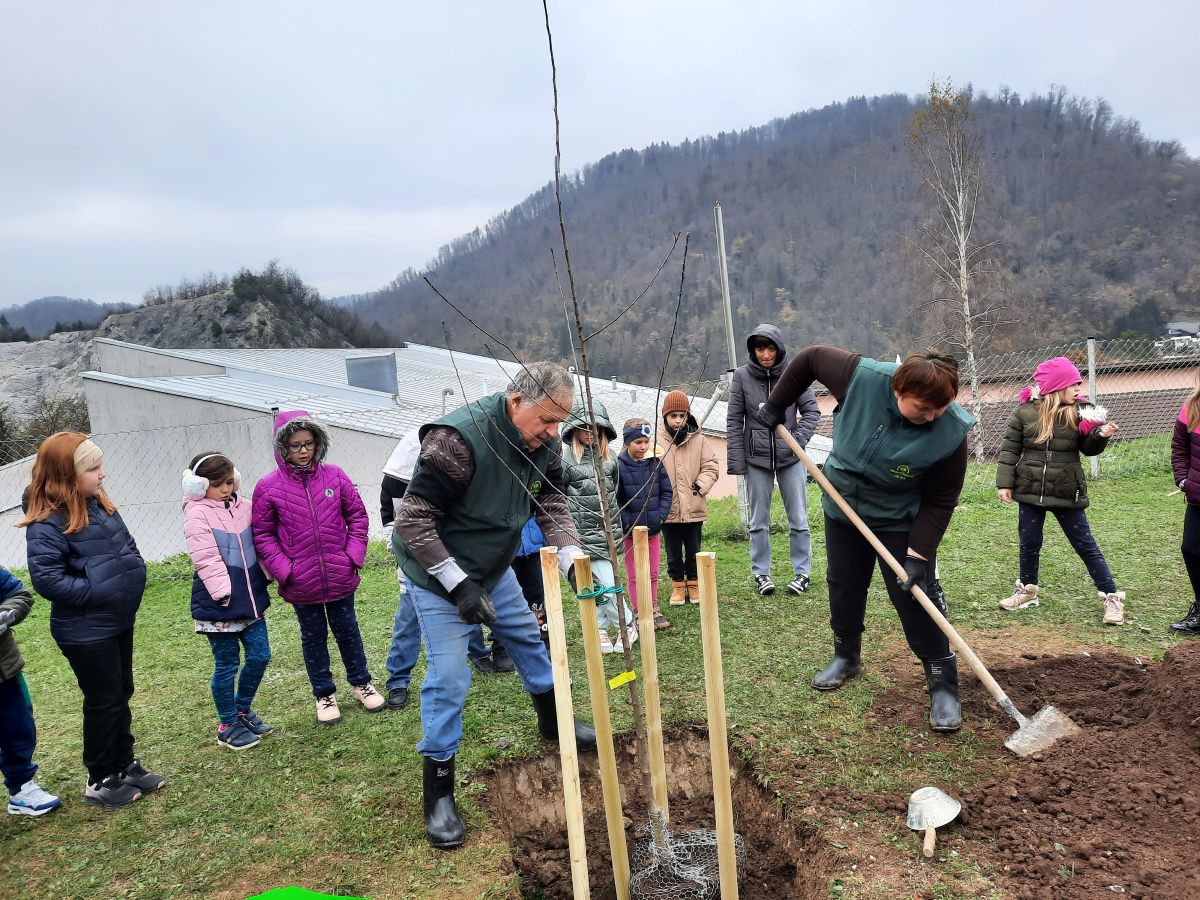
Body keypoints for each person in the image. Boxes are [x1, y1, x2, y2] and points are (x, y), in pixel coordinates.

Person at [393, 361, 596, 849]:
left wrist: (570, 558)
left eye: (559, 423)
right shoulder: (456, 443)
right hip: (435, 569)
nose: (552, 433)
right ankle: (438, 789)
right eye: (546, 420)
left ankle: (552, 721)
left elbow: (551, 504)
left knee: (528, 640)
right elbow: (412, 523)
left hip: (492, 562)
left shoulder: (543, 441)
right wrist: (459, 585)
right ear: (515, 402)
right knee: (449, 677)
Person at [757, 346, 975, 732]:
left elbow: (941, 501)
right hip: (842, 506)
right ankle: (846, 655)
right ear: (898, 390)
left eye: (939, 408)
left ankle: (942, 682)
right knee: (844, 584)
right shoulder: (863, 378)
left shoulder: (951, 432)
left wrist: (919, 555)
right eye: (922, 408)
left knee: (912, 594)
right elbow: (809, 359)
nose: (932, 416)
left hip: (897, 517)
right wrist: (777, 405)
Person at [20, 432, 165, 808]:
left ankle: (124, 764)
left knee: (122, 692)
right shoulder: (46, 522)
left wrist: (132, 572)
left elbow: (127, 547)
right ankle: (99, 778)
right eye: (93, 469)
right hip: (86, 631)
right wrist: (99, 593)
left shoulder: (98, 504)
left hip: (117, 620)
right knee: (104, 700)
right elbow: (47, 580)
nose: (102, 475)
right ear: (67, 475)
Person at [252, 411, 384, 724]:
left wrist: (352, 555)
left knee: (348, 630)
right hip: (301, 582)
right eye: (295, 445)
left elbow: (358, 517)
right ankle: (324, 694)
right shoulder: (267, 487)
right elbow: (263, 534)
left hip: (339, 574)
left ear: (317, 443)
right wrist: (286, 570)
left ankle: (361, 683)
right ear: (282, 446)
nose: (302, 450)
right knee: (313, 637)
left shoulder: (335, 476)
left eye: (308, 443)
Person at [380, 432, 513, 713]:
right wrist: (404, 551)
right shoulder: (396, 479)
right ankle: (398, 679)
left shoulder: (454, 466)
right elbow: (393, 520)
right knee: (408, 622)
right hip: (417, 569)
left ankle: (477, 654)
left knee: (469, 608)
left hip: (454, 560)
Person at [995, 357, 1124, 625]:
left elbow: (1087, 449)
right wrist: (1004, 483)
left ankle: (1111, 597)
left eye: (1079, 384)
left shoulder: (1082, 412)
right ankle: (1027, 591)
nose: (1078, 389)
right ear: (1055, 387)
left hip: (1067, 490)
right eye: (1072, 384)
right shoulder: (1025, 412)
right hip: (1029, 490)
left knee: (1085, 546)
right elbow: (1009, 451)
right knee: (1029, 544)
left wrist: (1100, 437)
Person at [182, 452, 273, 751]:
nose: (225, 489)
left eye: (229, 482)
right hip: (220, 603)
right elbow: (205, 556)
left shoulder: (245, 506)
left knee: (260, 655)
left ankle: (242, 710)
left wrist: (268, 574)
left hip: (250, 599)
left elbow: (261, 541)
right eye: (217, 484)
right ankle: (227, 723)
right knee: (227, 664)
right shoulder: (196, 513)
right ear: (197, 485)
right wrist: (224, 592)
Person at [727, 324, 821, 596]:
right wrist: (738, 462)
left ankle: (802, 573)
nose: (765, 354)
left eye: (770, 348)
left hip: (790, 457)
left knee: (799, 518)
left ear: (779, 349)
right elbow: (734, 420)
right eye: (760, 348)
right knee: (758, 521)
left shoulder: (794, 374)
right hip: (757, 460)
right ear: (753, 350)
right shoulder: (742, 377)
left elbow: (812, 411)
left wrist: (797, 441)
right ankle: (761, 574)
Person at [561, 399, 635, 653]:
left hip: (606, 534)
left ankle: (627, 625)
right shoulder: (565, 459)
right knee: (589, 586)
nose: (591, 433)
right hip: (579, 535)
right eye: (584, 428)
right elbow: (558, 497)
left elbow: (616, 491)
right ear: (573, 430)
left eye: (596, 428)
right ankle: (600, 628)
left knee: (608, 584)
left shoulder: (611, 458)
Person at [1, 566, 61, 816]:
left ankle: (21, 787)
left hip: (3, 671)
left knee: (19, 728)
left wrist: (4, 615)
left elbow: (19, 594)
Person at [659, 390, 720, 605]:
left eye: (681, 416)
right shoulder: (655, 440)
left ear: (688, 417)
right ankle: (677, 585)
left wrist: (700, 485)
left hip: (694, 506)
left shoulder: (699, 440)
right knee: (672, 550)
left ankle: (694, 584)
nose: (677, 420)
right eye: (673, 416)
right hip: (668, 509)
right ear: (665, 416)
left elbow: (711, 465)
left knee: (694, 548)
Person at [615, 419, 673, 629]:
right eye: (638, 442)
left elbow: (667, 492)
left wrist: (659, 517)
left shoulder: (655, 463)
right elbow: (616, 499)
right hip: (631, 533)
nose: (643, 447)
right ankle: (639, 610)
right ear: (627, 442)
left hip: (653, 529)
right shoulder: (619, 466)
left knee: (653, 572)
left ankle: (654, 607)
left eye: (646, 441)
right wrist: (627, 523)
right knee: (634, 574)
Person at [1171, 379, 1200, 634]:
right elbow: (1179, 447)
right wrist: (1183, 480)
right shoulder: (1192, 407)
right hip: (1198, 498)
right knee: (1191, 549)